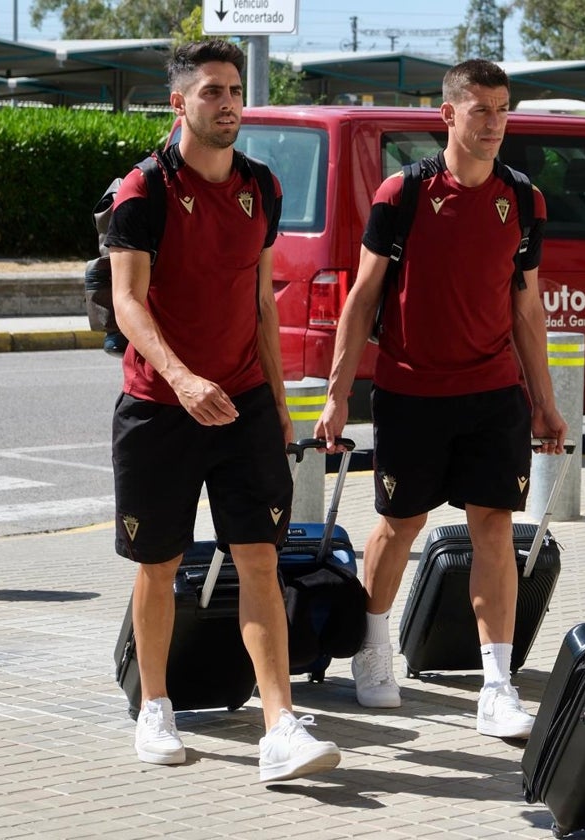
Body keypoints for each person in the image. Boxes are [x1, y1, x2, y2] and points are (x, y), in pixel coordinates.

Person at [106, 40, 340, 783]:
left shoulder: (261, 188)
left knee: (260, 560)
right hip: (160, 409)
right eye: (211, 91)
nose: (228, 103)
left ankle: (280, 724)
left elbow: (260, 307)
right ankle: (156, 707)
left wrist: (275, 402)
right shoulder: (142, 191)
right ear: (180, 104)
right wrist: (180, 378)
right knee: (159, 565)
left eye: (234, 90)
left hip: (240, 404)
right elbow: (127, 303)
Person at [314, 58, 568, 739]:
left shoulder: (523, 198)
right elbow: (362, 299)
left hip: (493, 395)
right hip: (410, 392)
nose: (494, 123)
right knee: (401, 525)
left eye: (502, 110)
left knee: (493, 529)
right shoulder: (405, 193)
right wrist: (338, 397)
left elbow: (528, 311)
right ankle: (372, 649)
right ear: (447, 115)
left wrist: (544, 401)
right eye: (480, 110)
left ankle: (496, 683)